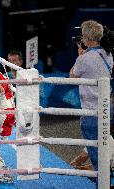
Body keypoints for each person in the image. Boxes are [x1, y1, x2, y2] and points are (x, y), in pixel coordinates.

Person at [70, 20, 113, 176]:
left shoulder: (84, 58)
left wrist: (81, 54)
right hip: (108, 108)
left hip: (91, 112)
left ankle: (101, 180)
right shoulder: (108, 54)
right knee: (104, 144)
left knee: (95, 149)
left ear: (86, 38)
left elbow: (72, 76)